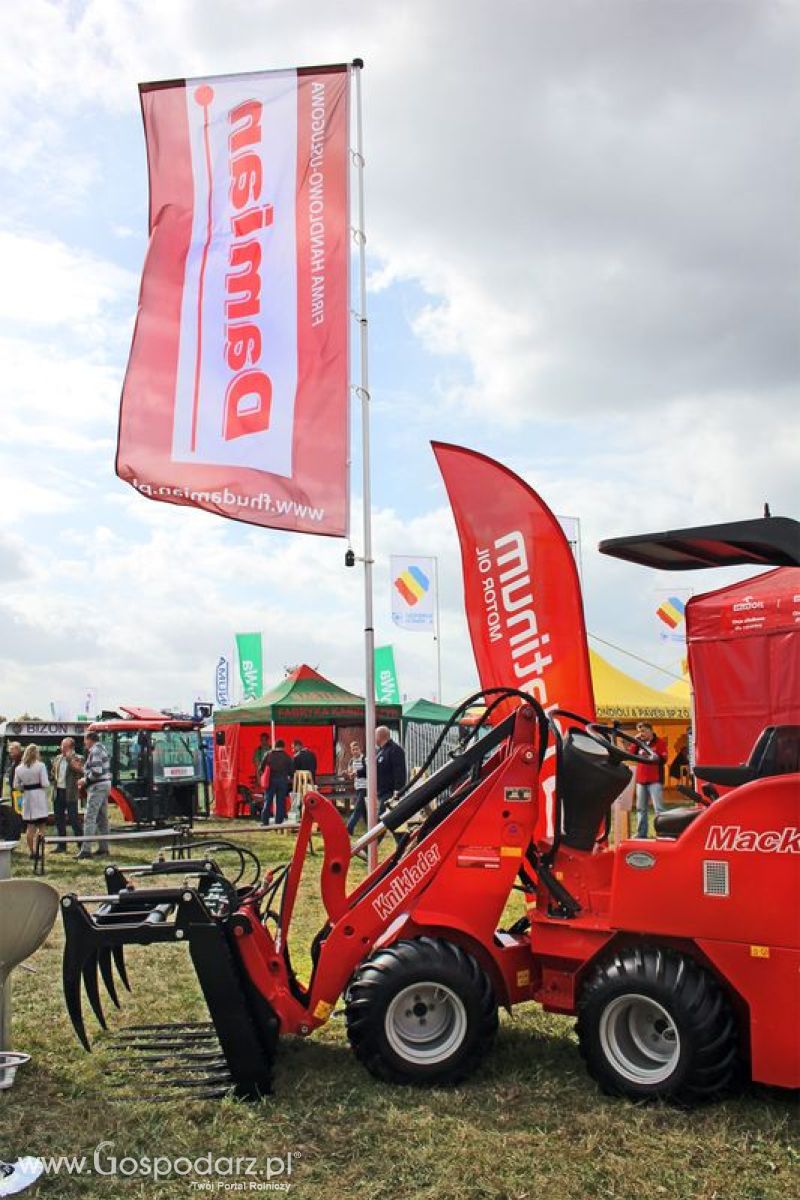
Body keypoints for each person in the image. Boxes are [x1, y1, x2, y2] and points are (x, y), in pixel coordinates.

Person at [78, 730, 111, 859]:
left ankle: (86, 850)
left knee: (90, 817)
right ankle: (104, 848)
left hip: (97, 786)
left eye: (85, 740)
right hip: (105, 784)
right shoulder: (102, 749)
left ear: (90, 739)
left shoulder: (95, 751)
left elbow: (97, 771)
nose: (84, 743)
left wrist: (84, 780)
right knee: (102, 819)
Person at [13, 744, 50, 858]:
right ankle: (40, 850)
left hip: (27, 797)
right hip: (39, 797)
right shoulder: (40, 766)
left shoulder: (19, 768)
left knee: (30, 827)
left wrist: (25, 786)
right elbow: (45, 783)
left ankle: (32, 852)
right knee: (41, 826)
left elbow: (16, 785)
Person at [633, 721, 667, 838]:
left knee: (659, 809)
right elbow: (631, 753)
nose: (641, 734)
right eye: (639, 731)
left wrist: (654, 757)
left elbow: (664, 759)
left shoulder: (660, 742)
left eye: (643, 731)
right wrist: (635, 741)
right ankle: (641, 834)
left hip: (655, 780)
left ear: (651, 730)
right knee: (641, 809)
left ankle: (662, 833)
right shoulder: (639, 742)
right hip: (641, 780)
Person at [51, 737, 82, 851]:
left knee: (74, 819)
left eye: (64, 746)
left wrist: (69, 759)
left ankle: (81, 845)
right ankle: (61, 845)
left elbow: (79, 770)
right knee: (59, 819)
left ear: (71, 748)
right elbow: (53, 772)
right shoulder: (57, 758)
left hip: (70, 793)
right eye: (61, 746)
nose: (61, 748)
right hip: (58, 791)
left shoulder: (78, 758)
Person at [375, 726, 407, 819]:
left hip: (389, 792)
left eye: (375, 735)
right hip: (381, 791)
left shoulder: (395, 750)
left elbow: (399, 771)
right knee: (390, 819)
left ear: (380, 736)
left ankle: (378, 834)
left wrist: (398, 790)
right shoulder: (380, 751)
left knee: (382, 819)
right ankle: (400, 834)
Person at [260, 739, 293, 825]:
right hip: (282, 781)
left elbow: (262, 768)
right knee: (281, 802)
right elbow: (291, 771)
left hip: (270, 780)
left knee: (268, 801)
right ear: (283, 747)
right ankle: (279, 821)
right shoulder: (287, 756)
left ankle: (265, 821)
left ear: (275, 745)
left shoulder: (268, 754)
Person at [346, 740, 368, 835]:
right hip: (358, 787)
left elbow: (368, 771)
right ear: (351, 751)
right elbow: (350, 772)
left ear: (360, 749)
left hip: (365, 787)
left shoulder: (365, 759)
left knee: (358, 809)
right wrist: (349, 774)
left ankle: (349, 828)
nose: (355, 751)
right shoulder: (351, 761)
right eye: (353, 749)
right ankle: (373, 828)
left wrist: (356, 773)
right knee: (363, 811)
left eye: (357, 749)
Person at [5, 741, 22, 807]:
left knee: (19, 809)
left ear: (17, 750)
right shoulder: (14, 761)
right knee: (15, 808)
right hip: (14, 790)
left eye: (12, 751)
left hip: (19, 791)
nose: (10, 753)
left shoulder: (21, 761)